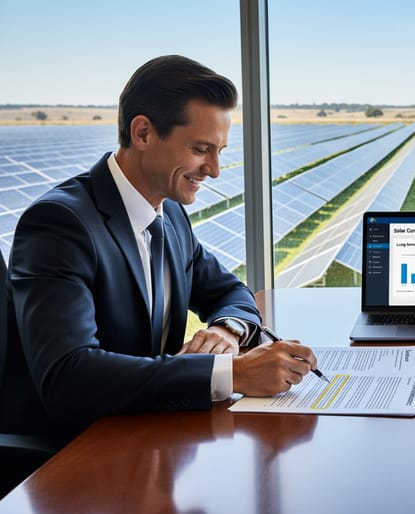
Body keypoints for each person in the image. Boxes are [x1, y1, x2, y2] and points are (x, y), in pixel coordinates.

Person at [1, 55, 318, 443]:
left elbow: (228, 290)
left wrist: (228, 330)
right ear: (144, 133)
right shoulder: (59, 224)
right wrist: (232, 374)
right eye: (201, 149)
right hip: (77, 455)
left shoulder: (168, 214)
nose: (215, 169)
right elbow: (69, 375)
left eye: (219, 150)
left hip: (151, 436)